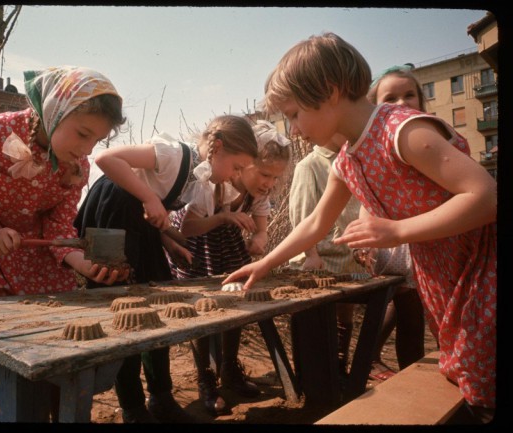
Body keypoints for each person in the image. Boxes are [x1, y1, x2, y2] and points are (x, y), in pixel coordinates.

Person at [223, 32, 496, 423]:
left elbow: (486, 197)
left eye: (296, 114)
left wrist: (396, 232)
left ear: (330, 91)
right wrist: (265, 263)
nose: (294, 129)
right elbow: (317, 222)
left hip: (482, 272)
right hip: (442, 277)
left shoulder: (400, 130)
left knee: (484, 381)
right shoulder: (348, 158)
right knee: (470, 380)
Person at [0, 66, 130, 416]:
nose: (87, 149)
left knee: (60, 341)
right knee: (4, 343)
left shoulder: (75, 166)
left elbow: (58, 228)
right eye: (82, 134)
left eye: (97, 141)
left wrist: (83, 264)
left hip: (36, 258)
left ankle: (59, 411)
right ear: (54, 112)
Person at [74, 114, 258, 423]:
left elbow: (155, 212)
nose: (233, 176)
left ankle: (161, 396)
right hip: (113, 216)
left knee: (158, 308)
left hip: (140, 228)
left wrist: (170, 241)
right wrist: (148, 198)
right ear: (217, 147)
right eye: (236, 167)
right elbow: (106, 158)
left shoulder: (198, 181)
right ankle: (132, 407)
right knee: (124, 313)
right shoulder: (174, 154)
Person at [168, 120, 291, 416]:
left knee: (237, 305)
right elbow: (187, 229)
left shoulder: (258, 195)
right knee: (203, 312)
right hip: (198, 248)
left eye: (274, 178)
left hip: (231, 249)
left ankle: (229, 370)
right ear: (245, 163)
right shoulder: (211, 183)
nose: (268, 184)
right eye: (263, 174)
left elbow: (261, 229)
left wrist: (259, 240)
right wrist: (224, 217)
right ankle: (206, 380)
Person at [360, 64, 427, 379]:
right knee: (410, 314)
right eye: (391, 98)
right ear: (376, 108)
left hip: (428, 238)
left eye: (409, 95)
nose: (402, 103)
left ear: (421, 100)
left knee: (405, 310)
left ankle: (370, 358)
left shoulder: (428, 136)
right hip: (398, 244)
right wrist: (367, 239)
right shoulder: (379, 146)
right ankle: (411, 376)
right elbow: (366, 197)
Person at [287, 134, 366, 379]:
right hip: (321, 260)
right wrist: (311, 253)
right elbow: (301, 215)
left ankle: (339, 368)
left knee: (345, 315)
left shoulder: (353, 159)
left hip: (348, 256)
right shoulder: (309, 165)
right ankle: (313, 376)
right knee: (318, 322)